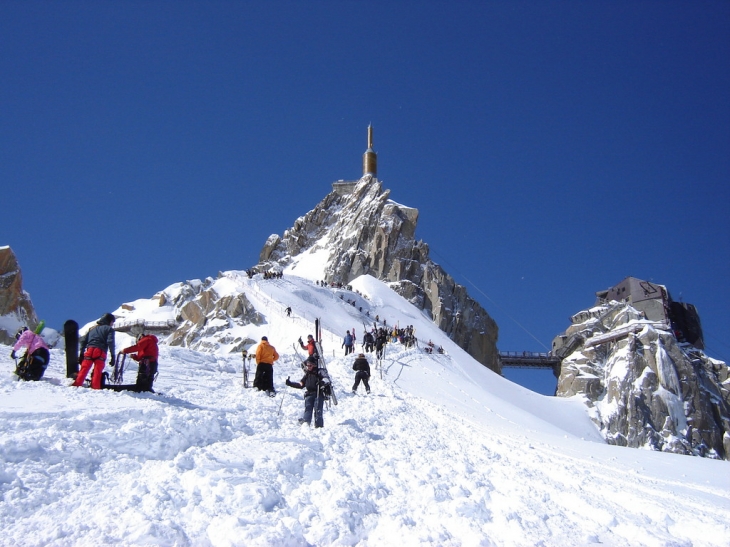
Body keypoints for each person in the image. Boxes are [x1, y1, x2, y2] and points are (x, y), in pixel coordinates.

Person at [285, 356, 332, 428]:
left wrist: (322, 382)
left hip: (318, 394)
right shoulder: (307, 374)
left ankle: (319, 426)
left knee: (318, 410)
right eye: (307, 365)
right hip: (309, 394)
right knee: (308, 409)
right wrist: (290, 383)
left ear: (314, 365)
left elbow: (327, 379)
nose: (308, 367)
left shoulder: (320, 372)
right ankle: (306, 423)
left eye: (310, 365)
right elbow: (301, 385)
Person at [73, 313, 116, 389]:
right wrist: (113, 356)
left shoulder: (92, 329)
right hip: (100, 351)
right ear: (109, 321)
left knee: (84, 369)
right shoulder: (109, 329)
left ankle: (76, 385)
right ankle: (95, 388)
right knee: (97, 371)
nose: (112, 324)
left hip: (89, 350)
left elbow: (83, 341)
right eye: (112, 322)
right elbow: (110, 342)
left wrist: (81, 353)